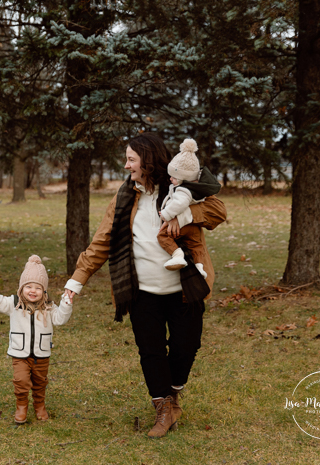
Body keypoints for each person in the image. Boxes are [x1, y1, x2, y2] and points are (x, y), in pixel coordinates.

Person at [63, 132, 226, 439]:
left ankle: (174, 392)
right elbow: (102, 242)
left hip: (184, 287)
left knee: (186, 347)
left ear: (148, 162)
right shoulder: (124, 197)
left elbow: (218, 211)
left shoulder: (181, 188)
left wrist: (187, 215)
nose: (126, 166)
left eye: (131, 160)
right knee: (150, 351)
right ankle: (163, 406)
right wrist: (76, 282)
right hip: (141, 292)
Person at [0, 255, 73, 424]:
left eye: (38, 288)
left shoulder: (49, 307)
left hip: (42, 353)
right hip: (20, 353)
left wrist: (66, 304)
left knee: (40, 381)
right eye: (28, 286)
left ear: (44, 290)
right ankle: (21, 406)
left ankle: (39, 405)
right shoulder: (14, 304)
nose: (33, 291)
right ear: (21, 288)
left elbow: (60, 319)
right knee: (21, 380)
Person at [158, 138, 222, 275]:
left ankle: (177, 256)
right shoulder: (198, 188)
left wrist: (168, 215)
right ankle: (199, 267)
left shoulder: (182, 190)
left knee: (162, 236)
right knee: (196, 245)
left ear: (182, 178)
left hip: (182, 226)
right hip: (193, 228)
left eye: (174, 177)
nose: (170, 179)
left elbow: (179, 203)